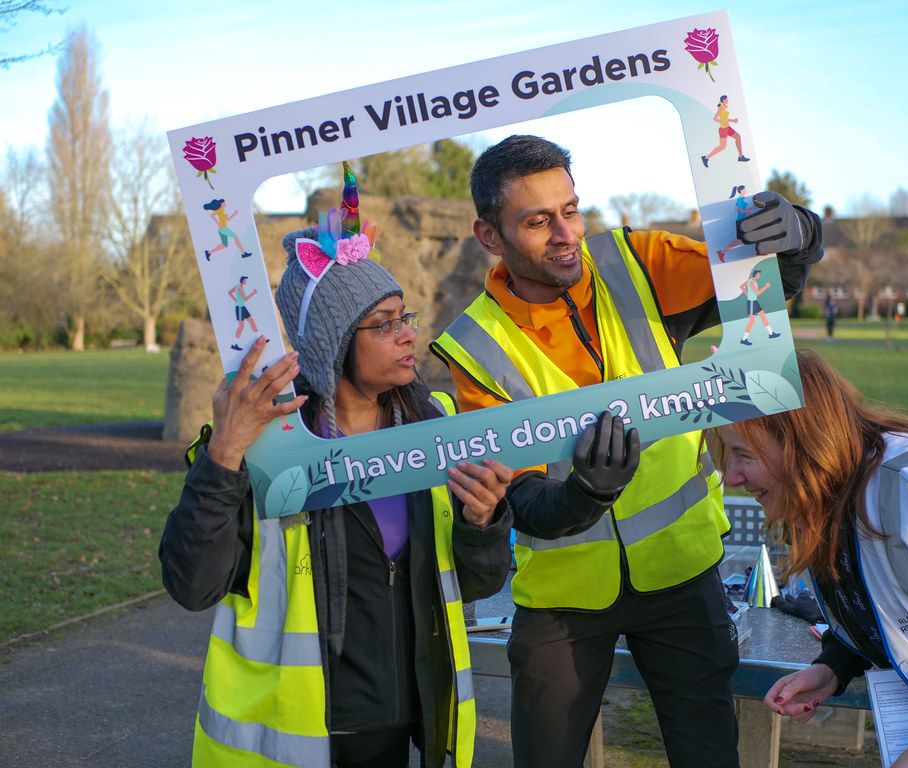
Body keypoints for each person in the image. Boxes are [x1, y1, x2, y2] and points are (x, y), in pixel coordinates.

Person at [430, 134, 824, 768]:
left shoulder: (635, 261)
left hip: (682, 575)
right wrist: (587, 494)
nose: (565, 234)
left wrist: (800, 231)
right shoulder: (478, 344)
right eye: (537, 221)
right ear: (489, 235)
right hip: (562, 601)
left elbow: (765, 287)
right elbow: (523, 501)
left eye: (570, 209)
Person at [159, 194, 515, 768]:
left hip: (410, 726)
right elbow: (192, 584)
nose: (407, 336)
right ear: (331, 343)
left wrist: (484, 523)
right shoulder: (262, 449)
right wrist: (223, 453)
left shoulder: (436, 429)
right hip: (298, 737)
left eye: (406, 319)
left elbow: (472, 584)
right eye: (384, 324)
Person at [709, 349, 908, 768]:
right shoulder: (826, 499)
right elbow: (885, 604)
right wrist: (833, 667)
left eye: (745, 455)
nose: (731, 477)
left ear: (803, 444)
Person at [701, 94, 750, 167]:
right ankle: (706, 158)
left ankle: (740, 157)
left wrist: (732, 120)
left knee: (738, 137)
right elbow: (715, 118)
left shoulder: (724, 108)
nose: (728, 100)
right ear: (723, 100)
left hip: (727, 128)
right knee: (722, 146)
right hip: (723, 129)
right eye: (726, 99)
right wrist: (723, 122)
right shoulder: (721, 108)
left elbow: (725, 118)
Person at [739, 268, 781, 345]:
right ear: (755, 274)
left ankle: (771, 333)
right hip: (751, 302)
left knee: (763, 316)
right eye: (758, 274)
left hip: (755, 301)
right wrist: (766, 287)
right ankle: (743, 339)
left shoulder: (752, 281)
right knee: (752, 321)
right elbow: (757, 293)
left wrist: (747, 293)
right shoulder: (751, 282)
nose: (759, 275)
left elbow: (742, 286)